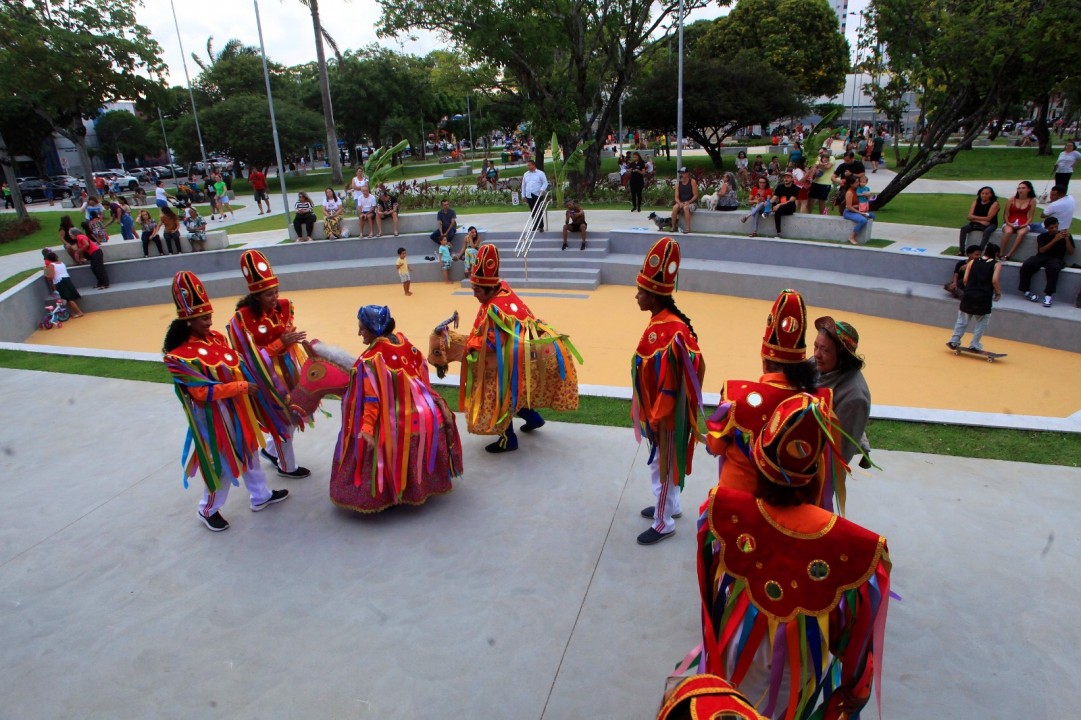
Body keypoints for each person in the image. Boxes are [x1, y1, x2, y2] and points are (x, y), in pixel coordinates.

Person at [692, 393, 891, 720]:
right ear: (816, 475)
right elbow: (852, 633)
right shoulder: (855, 545)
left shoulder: (723, 511)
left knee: (730, 704)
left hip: (735, 642)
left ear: (761, 465)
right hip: (798, 662)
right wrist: (856, 686)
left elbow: (710, 586)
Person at [163, 271, 290, 532]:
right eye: (203, 319)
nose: (210, 322)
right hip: (212, 418)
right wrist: (241, 386)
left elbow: (236, 364)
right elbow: (201, 393)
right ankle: (207, 509)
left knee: (250, 453)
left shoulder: (218, 339)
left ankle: (260, 495)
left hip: (235, 409)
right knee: (221, 463)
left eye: (209, 316)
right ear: (188, 321)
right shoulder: (177, 358)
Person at [330, 305, 462, 512]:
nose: (358, 333)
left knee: (376, 431)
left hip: (400, 415)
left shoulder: (371, 359)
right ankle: (422, 486)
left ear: (374, 330)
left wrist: (365, 428)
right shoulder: (404, 342)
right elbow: (421, 373)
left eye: (362, 329)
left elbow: (371, 400)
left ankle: (386, 494)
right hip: (426, 409)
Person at [705, 288, 830, 498]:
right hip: (792, 513)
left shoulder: (735, 397)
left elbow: (714, 446)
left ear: (765, 361)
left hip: (737, 509)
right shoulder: (818, 403)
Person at [461, 244, 580, 453]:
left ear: (489, 289)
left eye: (477, 291)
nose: (474, 295)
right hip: (530, 354)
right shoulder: (504, 289)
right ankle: (533, 418)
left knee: (498, 390)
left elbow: (492, 342)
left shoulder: (494, 308)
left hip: (517, 358)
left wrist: (470, 344)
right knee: (518, 388)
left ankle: (508, 439)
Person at [631, 237, 705, 545]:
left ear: (655, 296)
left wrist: (659, 415)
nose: (636, 296)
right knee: (665, 463)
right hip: (660, 412)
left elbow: (674, 381)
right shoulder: (664, 323)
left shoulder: (670, 330)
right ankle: (670, 506)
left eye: (641, 292)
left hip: (667, 416)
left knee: (660, 467)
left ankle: (663, 523)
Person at [227, 250, 313, 479]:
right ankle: (287, 467)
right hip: (266, 379)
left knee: (293, 414)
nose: (274, 298)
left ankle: (271, 450)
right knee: (283, 419)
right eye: (268, 295)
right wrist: (279, 343)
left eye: (275, 292)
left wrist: (292, 341)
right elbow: (246, 360)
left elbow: (286, 335)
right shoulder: (241, 321)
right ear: (256, 297)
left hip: (288, 371)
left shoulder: (283, 307)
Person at [814, 316, 872, 510]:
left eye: (825, 350)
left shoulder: (854, 398)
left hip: (819, 469)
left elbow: (838, 456)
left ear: (843, 356)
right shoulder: (816, 364)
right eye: (816, 347)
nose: (816, 355)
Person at [949, 243, 1002, 349]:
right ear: (996, 254)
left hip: (968, 295)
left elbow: (965, 280)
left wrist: (970, 289)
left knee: (962, 319)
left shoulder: (973, 262)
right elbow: (994, 280)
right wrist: (998, 292)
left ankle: (954, 340)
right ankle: (975, 344)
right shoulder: (997, 264)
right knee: (982, 321)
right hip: (984, 297)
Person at [1019, 216, 1074, 307]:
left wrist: (1067, 239)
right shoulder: (1042, 237)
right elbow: (1042, 250)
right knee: (1027, 264)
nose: (1055, 229)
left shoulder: (1065, 236)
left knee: (1054, 268)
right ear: (1046, 228)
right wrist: (1054, 240)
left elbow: (1071, 252)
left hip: (1056, 258)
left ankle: (1048, 296)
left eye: (1056, 226)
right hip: (1042, 256)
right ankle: (1026, 291)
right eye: (1051, 228)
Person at [999, 180, 1038, 261]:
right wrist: (1009, 223)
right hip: (1010, 222)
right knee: (1008, 231)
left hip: (1023, 223)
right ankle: (1001, 253)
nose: (1020, 190)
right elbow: (1005, 215)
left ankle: (1009, 255)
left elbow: (1030, 216)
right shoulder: (1011, 199)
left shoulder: (1032, 201)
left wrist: (1025, 224)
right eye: (1019, 188)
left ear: (1029, 189)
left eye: (1023, 188)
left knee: (1021, 233)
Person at [957, 186, 1000, 254]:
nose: (984, 195)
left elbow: (989, 218)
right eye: (982, 193)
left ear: (991, 195)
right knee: (964, 228)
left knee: (987, 231)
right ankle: (961, 250)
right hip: (975, 223)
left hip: (990, 224)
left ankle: (980, 250)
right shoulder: (976, 202)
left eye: (986, 194)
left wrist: (975, 217)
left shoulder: (995, 204)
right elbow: (969, 216)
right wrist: (981, 221)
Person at [42, 251, 85, 318]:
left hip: (60, 282)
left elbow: (51, 276)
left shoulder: (52, 265)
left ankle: (79, 312)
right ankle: (73, 312)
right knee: (69, 297)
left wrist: (45, 275)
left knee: (68, 298)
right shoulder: (61, 263)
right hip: (67, 279)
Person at [842, 174, 874, 245]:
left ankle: (866, 235)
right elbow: (849, 207)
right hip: (849, 212)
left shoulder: (859, 189)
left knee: (872, 215)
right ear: (851, 184)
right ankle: (852, 237)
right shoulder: (849, 192)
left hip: (859, 210)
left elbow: (867, 199)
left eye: (858, 182)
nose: (858, 183)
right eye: (856, 182)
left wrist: (868, 195)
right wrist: (860, 213)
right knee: (863, 220)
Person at [521, 158, 549, 231]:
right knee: (533, 211)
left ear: (534, 165)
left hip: (537, 194)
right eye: (528, 165)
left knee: (538, 210)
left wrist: (542, 190)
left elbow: (545, 182)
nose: (528, 167)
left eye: (530, 165)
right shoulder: (526, 174)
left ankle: (541, 226)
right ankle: (535, 225)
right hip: (529, 195)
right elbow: (523, 185)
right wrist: (523, 195)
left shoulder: (540, 173)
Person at [671, 166, 699, 234]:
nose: (681, 175)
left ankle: (687, 228)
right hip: (681, 202)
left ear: (687, 174)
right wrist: (679, 203)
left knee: (686, 208)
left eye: (683, 173)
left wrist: (688, 202)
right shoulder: (678, 183)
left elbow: (696, 195)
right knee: (675, 207)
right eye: (680, 173)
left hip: (691, 202)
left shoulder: (692, 181)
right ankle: (673, 226)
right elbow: (676, 197)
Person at [771, 171, 799, 237]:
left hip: (789, 207)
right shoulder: (780, 187)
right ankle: (778, 233)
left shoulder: (795, 188)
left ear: (792, 179)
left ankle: (776, 208)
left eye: (788, 177)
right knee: (777, 210)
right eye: (785, 177)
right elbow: (774, 198)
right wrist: (767, 203)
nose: (786, 179)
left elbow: (791, 200)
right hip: (780, 207)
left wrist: (779, 205)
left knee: (790, 203)